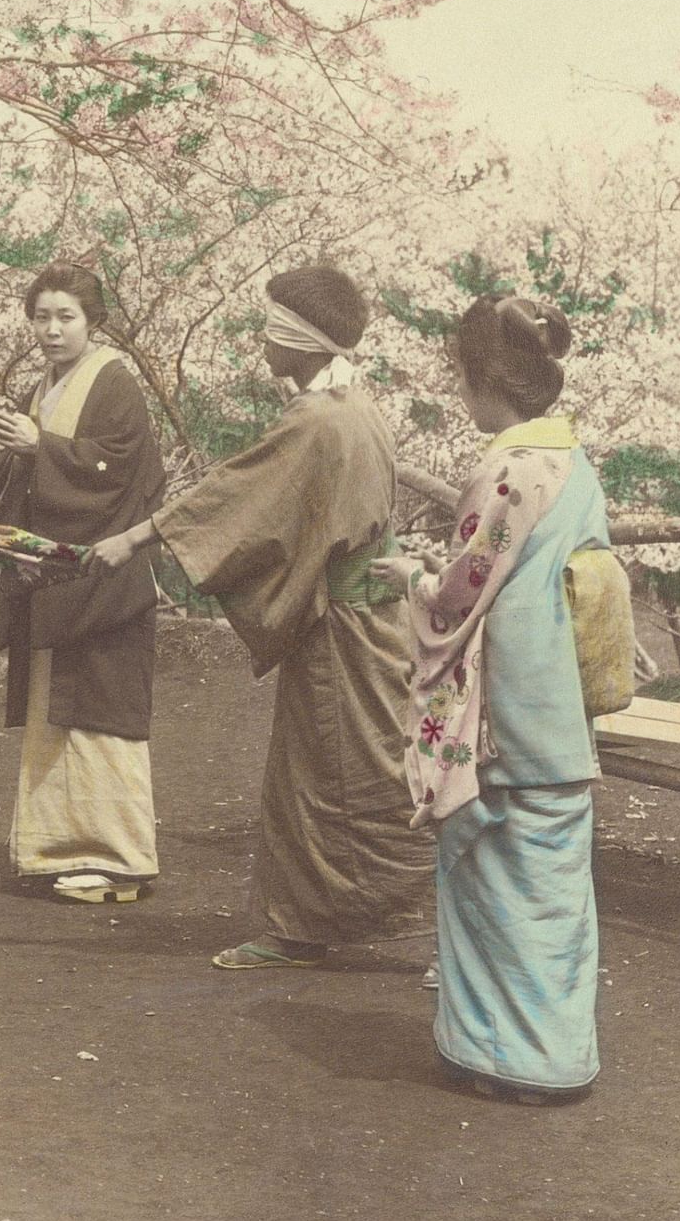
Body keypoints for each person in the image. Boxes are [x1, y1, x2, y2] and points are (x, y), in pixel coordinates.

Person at [89, 265, 427, 969]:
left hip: (346, 627)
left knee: (340, 776)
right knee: (331, 772)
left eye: (272, 327)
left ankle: (381, 919)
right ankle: (306, 925)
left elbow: (233, 495)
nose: (261, 341)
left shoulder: (319, 419)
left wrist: (133, 537)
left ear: (301, 340)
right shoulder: (354, 406)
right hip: (368, 618)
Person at [372, 296, 611, 1104]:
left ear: (482, 380)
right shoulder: (575, 464)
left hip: (505, 701)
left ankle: (498, 1053)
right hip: (561, 699)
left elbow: (462, 589)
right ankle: (559, 1054)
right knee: (551, 886)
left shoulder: (510, 469)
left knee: (493, 875)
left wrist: (412, 577)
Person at [0, 264, 167, 904]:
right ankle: (57, 845)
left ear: (95, 321)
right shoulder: (47, 386)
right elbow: (33, 472)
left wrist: (43, 448)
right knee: (57, 711)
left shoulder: (115, 383)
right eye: (42, 316)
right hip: (61, 577)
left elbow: (114, 472)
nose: (52, 329)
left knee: (100, 712)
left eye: (66, 316)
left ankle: (116, 856)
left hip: (105, 575)